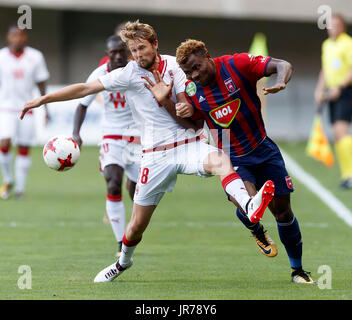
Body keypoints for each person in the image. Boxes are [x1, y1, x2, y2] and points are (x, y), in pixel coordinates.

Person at [20, 20, 275, 283]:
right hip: (155, 156)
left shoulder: (175, 66)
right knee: (136, 225)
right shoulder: (128, 74)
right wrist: (43, 99)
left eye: (141, 47)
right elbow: (85, 89)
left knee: (221, 160)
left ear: (154, 44)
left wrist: (172, 102)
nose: (138, 54)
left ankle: (249, 204)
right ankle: (122, 262)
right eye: (133, 49)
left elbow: (190, 118)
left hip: (188, 144)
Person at [175, 39, 314, 284]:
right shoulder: (191, 91)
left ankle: (298, 271)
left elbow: (283, 64)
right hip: (233, 157)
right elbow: (196, 122)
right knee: (249, 206)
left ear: (207, 55)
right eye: (188, 72)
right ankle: (256, 230)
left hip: (263, 149)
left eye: (197, 67)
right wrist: (185, 113)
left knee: (283, 213)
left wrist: (281, 81)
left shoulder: (237, 64)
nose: (194, 75)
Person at [73, 35, 141, 257]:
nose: (118, 56)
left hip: (137, 137)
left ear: (128, 52)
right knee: (113, 183)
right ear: (108, 54)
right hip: (111, 136)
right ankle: (121, 243)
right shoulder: (100, 74)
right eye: (114, 52)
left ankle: (132, 227)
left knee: (136, 192)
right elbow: (82, 105)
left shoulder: (137, 70)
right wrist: (76, 134)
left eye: (122, 51)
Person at [0, 24, 50, 200]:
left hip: (27, 107)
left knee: (23, 147)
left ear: (25, 38)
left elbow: (41, 82)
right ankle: (7, 180)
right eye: (14, 35)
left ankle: (20, 189)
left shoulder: (35, 57)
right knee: (4, 142)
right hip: (5, 107)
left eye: (21, 35)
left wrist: (45, 108)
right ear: (8, 37)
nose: (17, 39)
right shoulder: (1, 57)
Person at [314, 13, 352, 189]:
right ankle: (346, 174)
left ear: (342, 26)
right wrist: (320, 88)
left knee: (341, 130)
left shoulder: (347, 43)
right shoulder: (326, 45)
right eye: (330, 25)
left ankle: (350, 174)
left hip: (345, 91)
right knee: (337, 134)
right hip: (332, 92)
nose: (333, 28)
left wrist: (340, 87)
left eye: (336, 25)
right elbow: (325, 69)